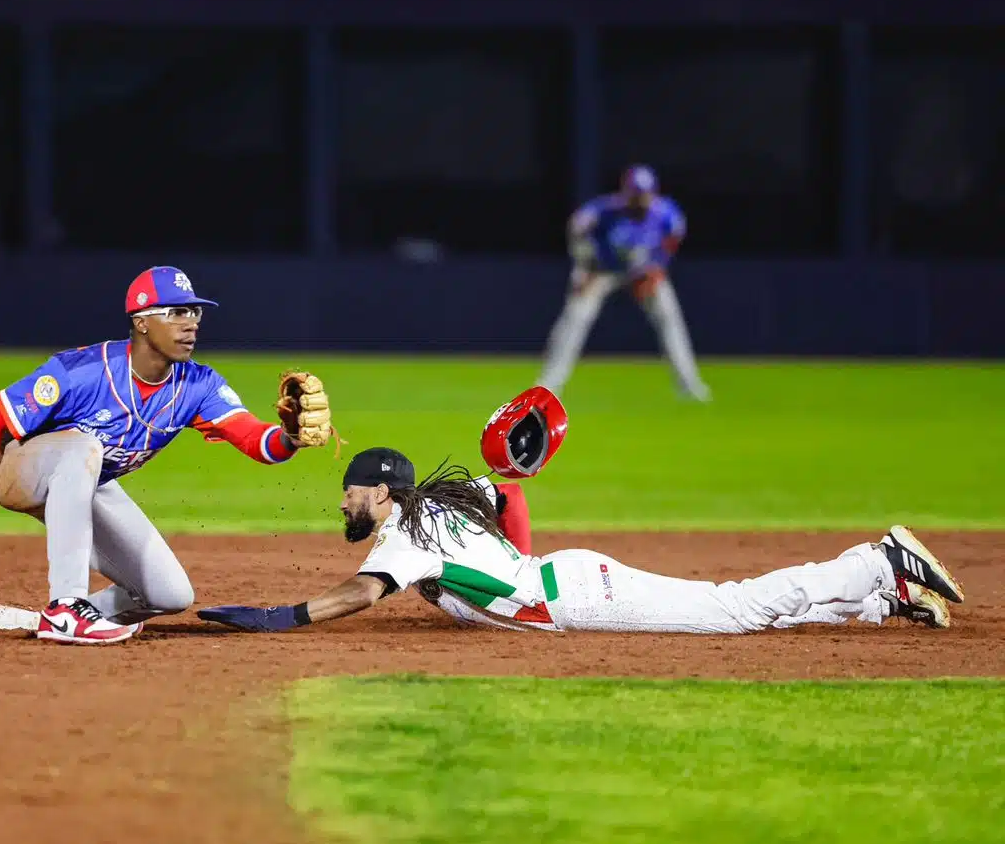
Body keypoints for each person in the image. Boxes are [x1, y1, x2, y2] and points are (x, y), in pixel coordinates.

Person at [196, 390, 964, 635]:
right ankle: (877, 602)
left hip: (580, 596)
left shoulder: (405, 536)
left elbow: (360, 594)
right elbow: (508, 498)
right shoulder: (442, 508)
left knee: (734, 612)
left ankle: (873, 558)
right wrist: (515, 558)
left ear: (383, 495)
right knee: (732, 616)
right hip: (566, 581)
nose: (343, 502)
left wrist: (279, 618)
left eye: (353, 491)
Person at [0, 266, 336, 645]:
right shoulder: (81, 371)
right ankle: (65, 606)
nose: (191, 323)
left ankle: (88, 614)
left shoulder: (197, 385)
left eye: (195, 312)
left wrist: (289, 435)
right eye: (177, 313)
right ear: (142, 321)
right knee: (85, 447)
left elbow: (256, 441)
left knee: (169, 595)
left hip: (83, 478)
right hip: (17, 468)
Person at [538, 165, 710, 401]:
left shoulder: (667, 214)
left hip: (643, 271)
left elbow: (672, 240)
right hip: (601, 270)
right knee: (576, 318)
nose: (640, 199)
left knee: (669, 317)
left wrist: (658, 267)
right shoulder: (604, 211)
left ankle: (689, 384)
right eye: (635, 193)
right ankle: (549, 384)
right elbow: (576, 231)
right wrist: (585, 267)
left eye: (644, 193)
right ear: (625, 191)